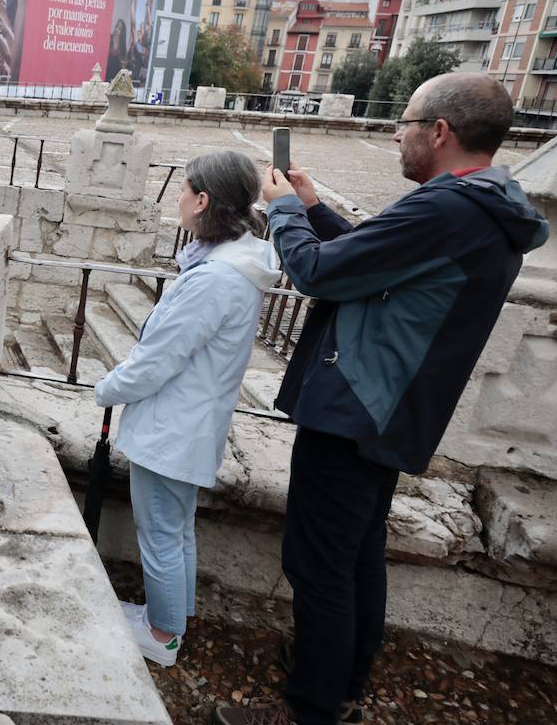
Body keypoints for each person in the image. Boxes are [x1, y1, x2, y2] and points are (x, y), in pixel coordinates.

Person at [211, 73, 551, 725]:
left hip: (357, 403)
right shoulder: (479, 206)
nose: (397, 134)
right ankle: (345, 675)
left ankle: (310, 707)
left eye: (407, 123)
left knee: (317, 564)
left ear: (441, 132)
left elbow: (316, 271)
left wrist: (282, 209)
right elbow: (375, 260)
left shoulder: (447, 208)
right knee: (357, 552)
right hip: (392, 405)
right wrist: (312, 207)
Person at [92, 151, 280, 668]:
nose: (177, 199)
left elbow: (158, 359)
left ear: (202, 201)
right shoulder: (234, 267)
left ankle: (162, 634)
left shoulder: (213, 280)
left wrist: (104, 389)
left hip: (171, 431)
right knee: (175, 530)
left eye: (183, 189)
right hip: (191, 424)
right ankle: (169, 620)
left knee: (160, 535)